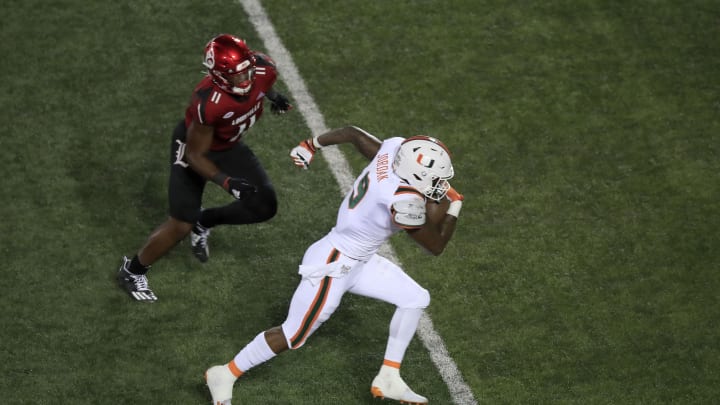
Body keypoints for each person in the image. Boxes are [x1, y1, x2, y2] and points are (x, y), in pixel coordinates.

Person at [204, 126, 465, 404]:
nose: (440, 182)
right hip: (335, 264)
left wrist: (312, 143)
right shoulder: (402, 201)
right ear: (415, 173)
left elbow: (353, 134)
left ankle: (389, 377)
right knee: (294, 334)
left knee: (415, 298)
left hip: (358, 259)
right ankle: (225, 373)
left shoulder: (393, 151)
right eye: (435, 178)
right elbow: (435, 244)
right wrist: (453, 205)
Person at [116, 34, 293, 302]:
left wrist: (275, 97)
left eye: (247, 71)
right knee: (181, 224)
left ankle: (205, 221)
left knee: (265, 205)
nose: (245, 80)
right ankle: (133, 270)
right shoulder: (209, 102)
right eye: (236, 76)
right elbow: (195, 154)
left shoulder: (263, 69)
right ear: (220, 76)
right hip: (193, 148)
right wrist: (227, 183)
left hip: (228, 145)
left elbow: (264, 82)